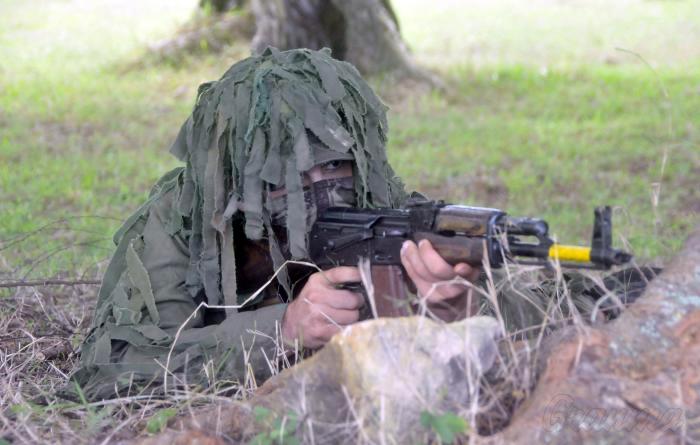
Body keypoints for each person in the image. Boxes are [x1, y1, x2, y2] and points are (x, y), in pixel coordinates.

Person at [70, 48, 479, 401]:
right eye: (287, 180)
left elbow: (534, 298)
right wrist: (281, 330)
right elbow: (114, 369)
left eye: (335, 165)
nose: (321, 192)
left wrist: (462, 305)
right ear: (236, 181)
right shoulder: (183, 223)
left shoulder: (377, 204)